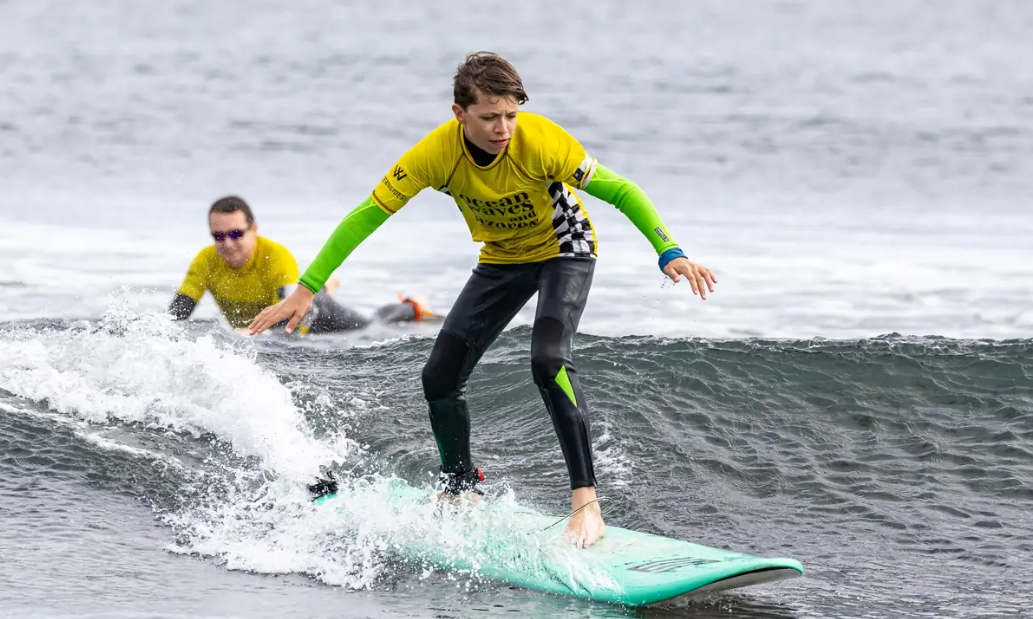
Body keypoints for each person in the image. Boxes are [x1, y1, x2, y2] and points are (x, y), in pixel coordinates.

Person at [248, 52, 717, 549]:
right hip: (502, 258)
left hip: (565, 249)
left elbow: (621, 191)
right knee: (439, 377)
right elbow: (368, 214)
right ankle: (460, 487)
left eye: (510, 114)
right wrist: (306, 287)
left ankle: (586, 504)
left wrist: (669, 250)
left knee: (548, 360)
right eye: (490, 117)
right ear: (459, 114)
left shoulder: (541, 142)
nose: (503, 128)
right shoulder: (433, 155)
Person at [168, 196, 432, 334]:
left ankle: (412, 306)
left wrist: (247, 333)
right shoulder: (206, 260)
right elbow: (177, 314)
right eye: (218, 236)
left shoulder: (275, 256)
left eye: (236, 234)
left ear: (254, 230)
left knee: (373, 326)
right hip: (262, 330)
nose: (227, 243)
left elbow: (290, 323)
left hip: (315, 315)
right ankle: (328, 285)